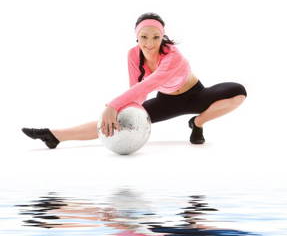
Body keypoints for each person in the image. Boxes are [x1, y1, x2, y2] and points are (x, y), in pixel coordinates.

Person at [22, 12, 247, 149]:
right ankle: (54, 136)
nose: (150, 43)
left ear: (163, 36)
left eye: (156, 37)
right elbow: (137, 91)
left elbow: (150, 83)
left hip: (196, 95)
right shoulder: (133, 55)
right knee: (118, 119)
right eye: (144, 37)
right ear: (137, 36)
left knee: (238, 91)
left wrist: (112, 105)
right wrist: (119, 113)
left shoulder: (173, 57)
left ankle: (197, 124)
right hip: (167, 100)